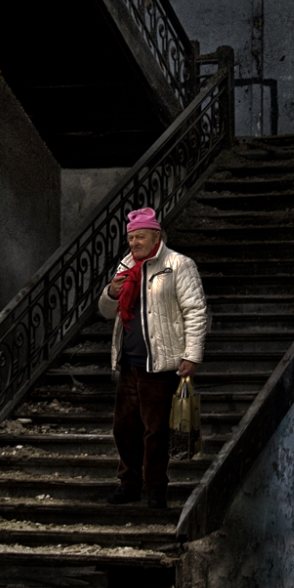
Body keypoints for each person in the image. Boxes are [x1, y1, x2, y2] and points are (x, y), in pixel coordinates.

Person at [98, 206, 208, 508]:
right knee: (123, 427)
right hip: (130, 361)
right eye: (131, 238)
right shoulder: (125, 265)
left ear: (156, 236)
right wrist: (110, 291)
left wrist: (192, 355)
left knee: (155, 430)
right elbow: (106, 312)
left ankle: (156, 488)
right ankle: (129, 484)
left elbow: (196, 312)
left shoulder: (178, 265)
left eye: (140, 237)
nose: (134, 243)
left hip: (160, 363)